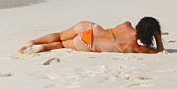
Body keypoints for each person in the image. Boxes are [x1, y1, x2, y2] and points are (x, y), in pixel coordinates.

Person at [18, 17, 164, 54]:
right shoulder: (134, 47)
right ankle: (42, 47)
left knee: (60, 35)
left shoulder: (126, 25)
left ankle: (31, 42)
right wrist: (157, 36)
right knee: (62, 44)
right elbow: (159, 51)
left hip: (91, 28)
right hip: (90, 44)